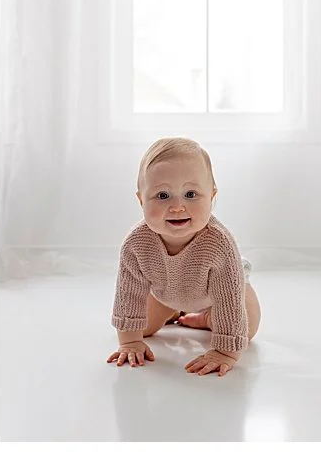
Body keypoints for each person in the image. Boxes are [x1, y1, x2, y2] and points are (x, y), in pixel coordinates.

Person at [106, 137, 262, 377]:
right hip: (166, 291)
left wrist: (224, 352)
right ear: (141, 200)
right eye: (162, 196)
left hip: (219, 291)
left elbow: (229, 299)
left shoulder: (219, 244)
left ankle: (208, 317)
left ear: (211, 196)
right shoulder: (137, 243)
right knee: (143, 328)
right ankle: (174, 311)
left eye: (190, 194)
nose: (177, 206)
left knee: (247, 327)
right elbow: (129, 293)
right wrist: (129, 342)